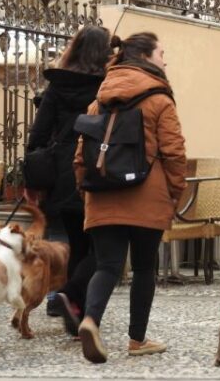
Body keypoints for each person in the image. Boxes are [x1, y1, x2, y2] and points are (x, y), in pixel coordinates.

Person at [74, 32, 186, 363]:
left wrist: (86, 189)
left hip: (103, 193)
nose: (165, 60)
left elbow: (80, 155)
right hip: (146, 196)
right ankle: (137, 339)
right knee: (144, 268)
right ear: (147, 57)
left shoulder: (100, 99)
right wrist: (174, 193)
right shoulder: (160, 99)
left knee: (107, 265)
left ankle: (91, 320)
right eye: (161, 53)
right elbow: (174, 152)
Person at [25, 26, 112, 334]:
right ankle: (75, 300)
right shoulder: (106, 84)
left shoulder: (57, 85)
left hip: (62, 170)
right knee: (98, 246)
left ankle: (72, 305)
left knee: (75, 240)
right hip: (94, 166)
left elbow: (37, 134)